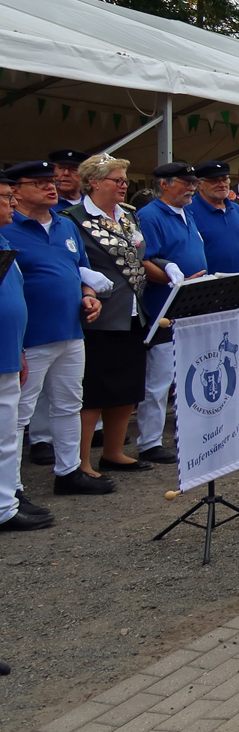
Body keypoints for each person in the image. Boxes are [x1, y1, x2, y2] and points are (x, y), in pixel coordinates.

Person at [2, 160, 108, 496]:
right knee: (18, 414)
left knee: (68, 404)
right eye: (39, 182)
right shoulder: (6, 228)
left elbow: (82, 270)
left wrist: (89, 296)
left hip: (70, 330)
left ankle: (69, 471)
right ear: (15, 192)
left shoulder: (65, 225)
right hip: (30, 336)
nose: (51, 187)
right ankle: (12, 488)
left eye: (52, 181)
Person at [63, 155, 153, 474]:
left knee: (127, 387)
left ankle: (114, 452)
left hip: (132, 310)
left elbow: (141, 256)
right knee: (94, 392)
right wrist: (86, 280)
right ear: (95, 182)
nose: (124, 186)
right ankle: (82, 462)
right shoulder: (73, 218)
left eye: (125, 181)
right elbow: (68, 261)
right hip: (99, 312)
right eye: (117, 180)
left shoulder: (127, 216)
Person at [137, 162, 209, 464]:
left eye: (193, 182)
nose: (192, 187)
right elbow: (143, 260)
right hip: (164, 304)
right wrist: (171, 278)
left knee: (190, 370)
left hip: (191, 302)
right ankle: (149, 441)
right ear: (165, 184)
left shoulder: (187, 213)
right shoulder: (150, 216)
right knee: (160, 377)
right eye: (185, 182)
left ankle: (189, 429)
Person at [0, 172, 50, 530]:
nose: (12, 203)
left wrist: (17, 349)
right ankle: (4, 507)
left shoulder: (3, 240)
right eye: (5, 197)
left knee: (6, 433)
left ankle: (7, 498)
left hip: (7, 351)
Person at [193, 162, 239, 274]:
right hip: (208, 287)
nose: (222, 184)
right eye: (214, 181)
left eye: (225, 179)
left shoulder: (236, 209)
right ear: (199, 184)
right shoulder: (189, 211)